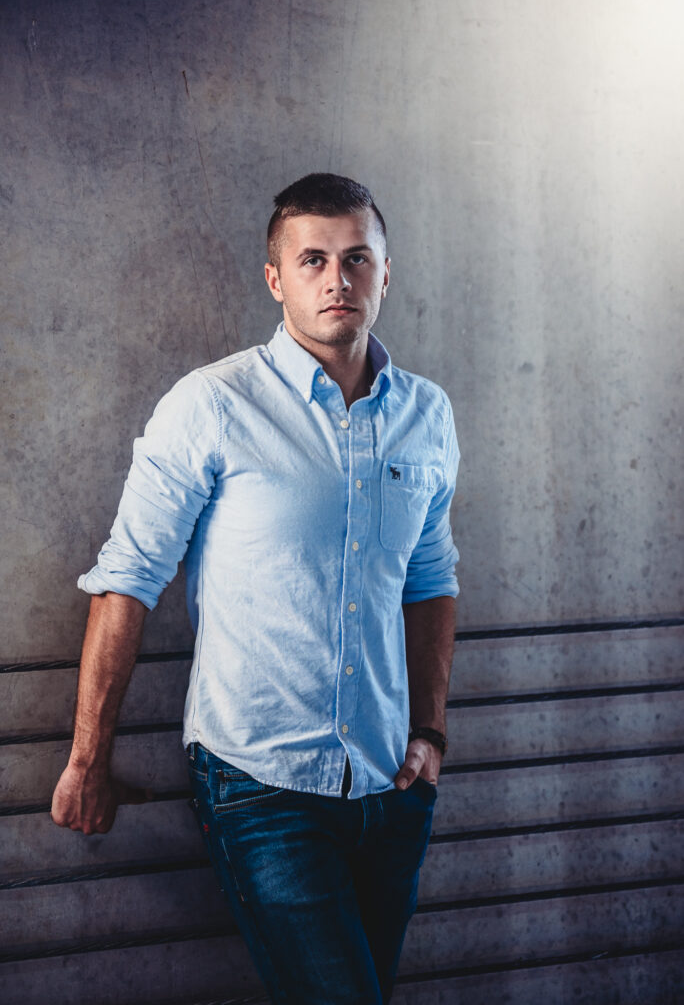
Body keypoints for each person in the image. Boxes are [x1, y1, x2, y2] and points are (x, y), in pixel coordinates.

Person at [51, 173, 460, 1004]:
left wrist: (431, 734)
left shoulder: (426, 413)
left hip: (391, 786)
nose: (336, 279)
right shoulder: (211, 405)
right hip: (261, 785)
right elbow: (127, 579)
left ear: (387, 272)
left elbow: (431, 578)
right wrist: (89, 758)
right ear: (276, 279)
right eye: (312, 259)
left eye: (356, 258)